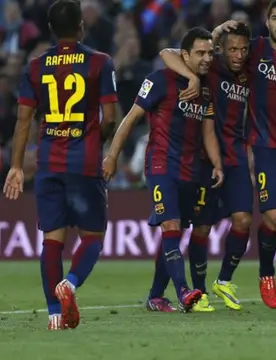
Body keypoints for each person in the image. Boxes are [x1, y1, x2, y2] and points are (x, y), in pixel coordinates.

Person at [165, 0, 276, 311]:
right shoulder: (253, 50)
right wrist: (215, 34)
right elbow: (194, 51)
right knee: (274, 215)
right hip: (266, 148)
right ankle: (265, 274)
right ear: (267, 22)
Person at [3, 0, 118, 330]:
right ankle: (69, 283)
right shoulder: (100, 62)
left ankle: (54, 313)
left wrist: (15, 167)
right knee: (93, 238)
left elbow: (23, 122)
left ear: (51, 30)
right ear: (81, 25)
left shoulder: (36, 66)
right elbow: (110, 117)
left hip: (48, 165)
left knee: (52, 241)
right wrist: (97, 140)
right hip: (84, 164)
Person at [102, 27, 223, 313]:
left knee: (175, 232)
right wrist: (112, 155)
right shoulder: (159, 80)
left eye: (209, 53)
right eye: (200, 53)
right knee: (170, 226)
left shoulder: (206, 87)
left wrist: (217, 164)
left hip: (192, 170)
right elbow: (131, 119)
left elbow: (208, 132)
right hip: (161, 165)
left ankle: (156, 296)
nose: (207, 58)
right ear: (186, 55)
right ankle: (183, 292)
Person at [161, 24, 253, 311]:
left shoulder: (250, 73)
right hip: (203, 156)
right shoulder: (210, 69)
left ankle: (223, 281)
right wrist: (192, 75)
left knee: (243, 220)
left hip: (235, 155)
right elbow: (167, 53)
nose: (238, 55)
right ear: (220, 50)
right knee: (201, 228)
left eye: (243, 49)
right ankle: (198, 291)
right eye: (232, 49)